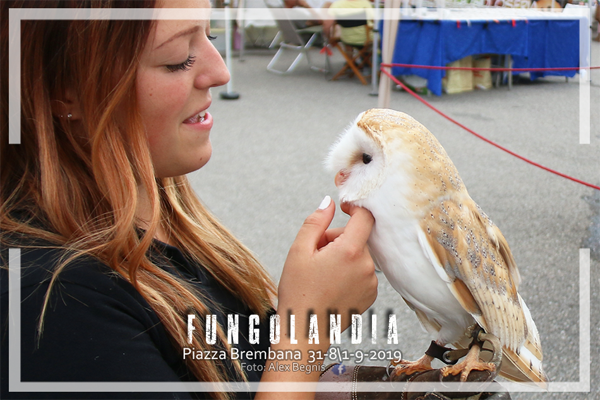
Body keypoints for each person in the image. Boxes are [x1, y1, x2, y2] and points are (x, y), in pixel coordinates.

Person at [0, 0, 378, 399]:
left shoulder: (158, 201)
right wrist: (306, 330)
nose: (220, 72)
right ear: (64, 91)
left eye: (210, 35)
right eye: (178, 59)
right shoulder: (51, 306)